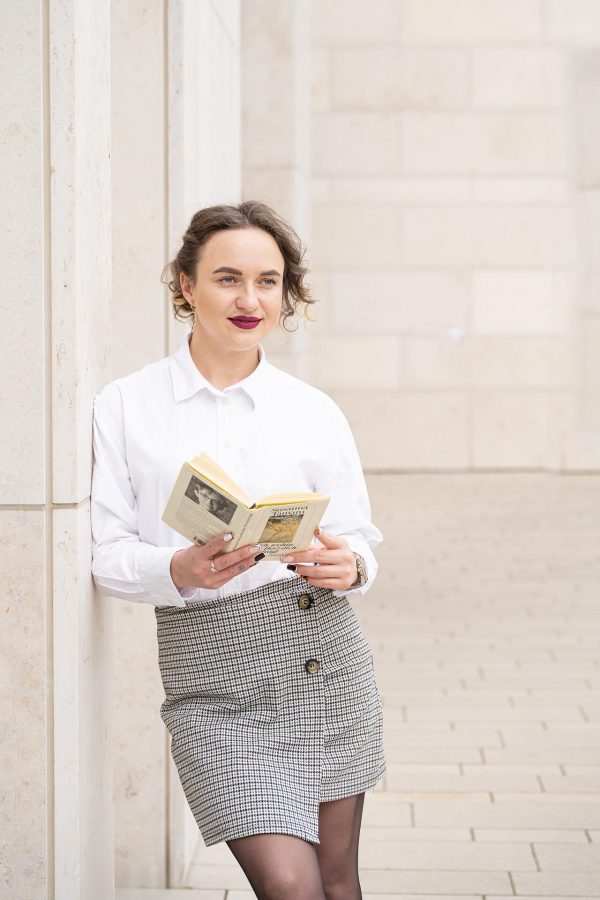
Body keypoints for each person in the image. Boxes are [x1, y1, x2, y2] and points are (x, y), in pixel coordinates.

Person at [90, 201, 386, 900]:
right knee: (290, 886)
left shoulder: (312, 410)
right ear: (186, 286)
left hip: (322, 659)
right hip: (210, 682)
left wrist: (353, 566)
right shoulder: (125, 405)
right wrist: (175, 568)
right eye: (227, 278)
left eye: (267, 280)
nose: (250, 300)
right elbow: (105, 554)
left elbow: (362, 540)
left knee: (338, 883)